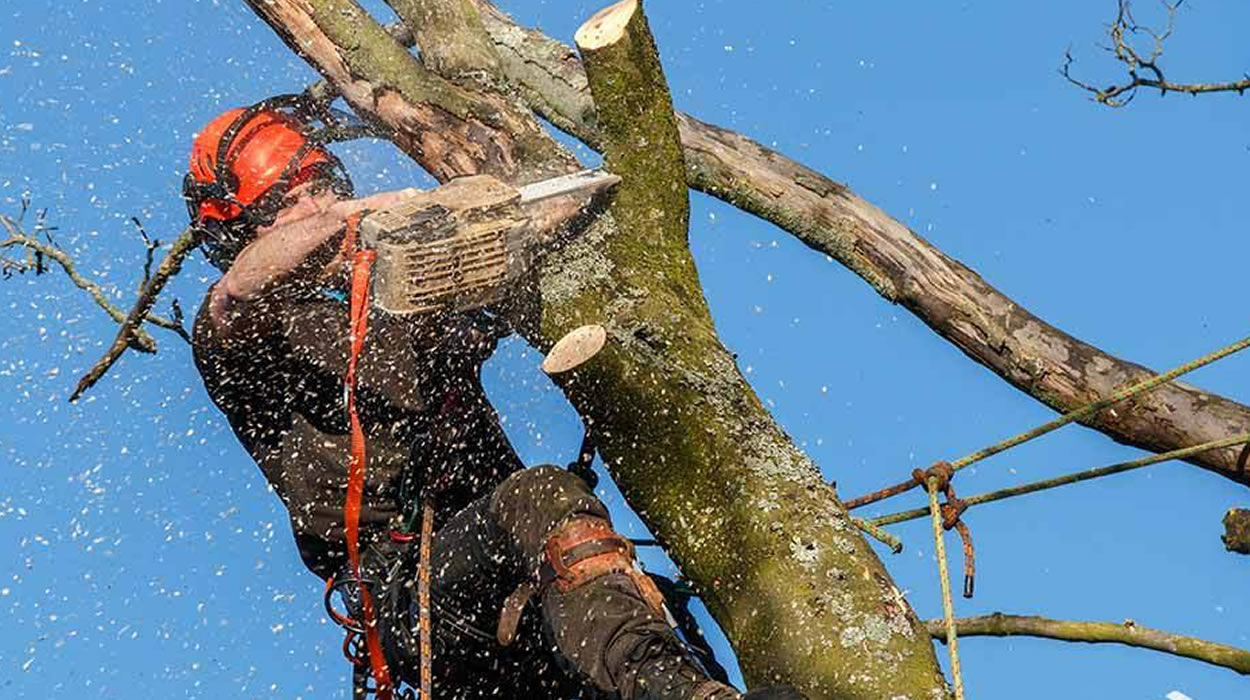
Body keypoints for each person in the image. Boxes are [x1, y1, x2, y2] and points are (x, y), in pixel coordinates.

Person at [185, 97, 803, 700]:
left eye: (321, 185)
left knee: (655, 604)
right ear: (240, 228)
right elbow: (241, 286)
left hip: (525, 571)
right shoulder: (245, 341)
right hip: (413, 596)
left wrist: (507, 208)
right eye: (288, 203)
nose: (318, 206)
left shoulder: (399, 299)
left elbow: (520, 234)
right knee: (540, 495)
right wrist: (358, 215)